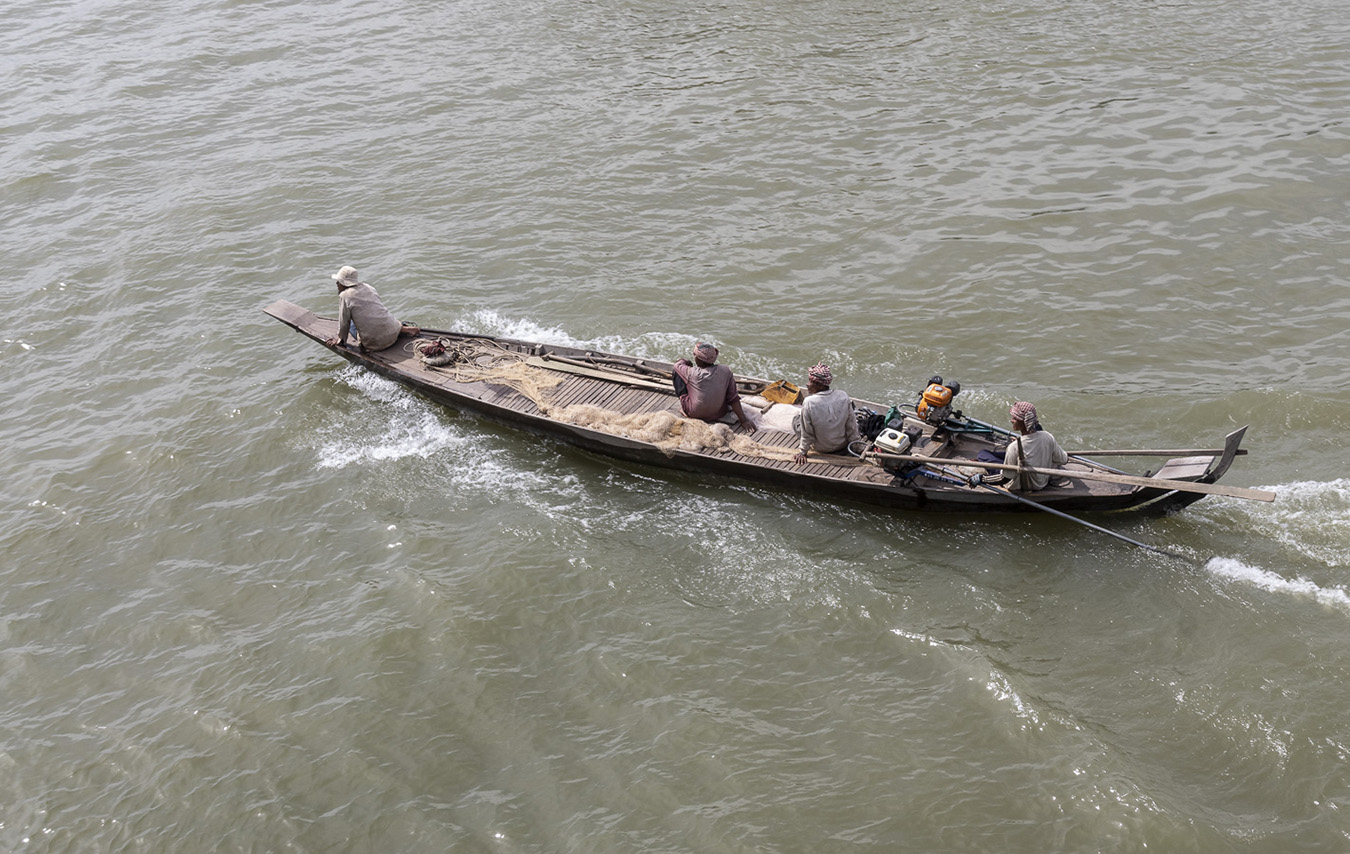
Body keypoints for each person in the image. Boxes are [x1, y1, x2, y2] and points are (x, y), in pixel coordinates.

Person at [322, 265, 410, 352]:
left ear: (343, 283)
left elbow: (344, 324)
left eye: (338, 281)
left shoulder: (345, 295)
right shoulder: (368, 287)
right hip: (394, 333)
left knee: (351, 323)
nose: (336, 284)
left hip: (376, 344)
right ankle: (401, 328)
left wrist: (340, 341)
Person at [672, 341, 754, 430]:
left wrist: (686, 361)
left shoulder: (692, 373)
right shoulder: (725, 370)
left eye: (695, 356)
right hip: (718, 413)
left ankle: (685, 409)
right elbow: (733, 397)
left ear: (699, 360)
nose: (694, 357)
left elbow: (677, 365)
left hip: (694, 413)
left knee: (677, 373)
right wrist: (744, 420)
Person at [792, 362, 862, 464]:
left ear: (820, 385)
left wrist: (802, 452)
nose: (807, 384)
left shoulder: (809, 402)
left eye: (810, 381)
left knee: (796, 420)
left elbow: (808, 434)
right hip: (842, 444)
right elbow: (851, 426)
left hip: (822, 448)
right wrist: (857, 447)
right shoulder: (843, 395)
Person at [995, 401, 1068, 491]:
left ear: (1024, 422)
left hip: (1020, 486)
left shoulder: (1013, 447)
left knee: (984, 455)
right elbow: (1063, 460)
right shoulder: (1047, 436)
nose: (1011, 420)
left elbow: (1005, 478)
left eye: (1015, 418)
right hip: (1041, 483)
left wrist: (981, 479)